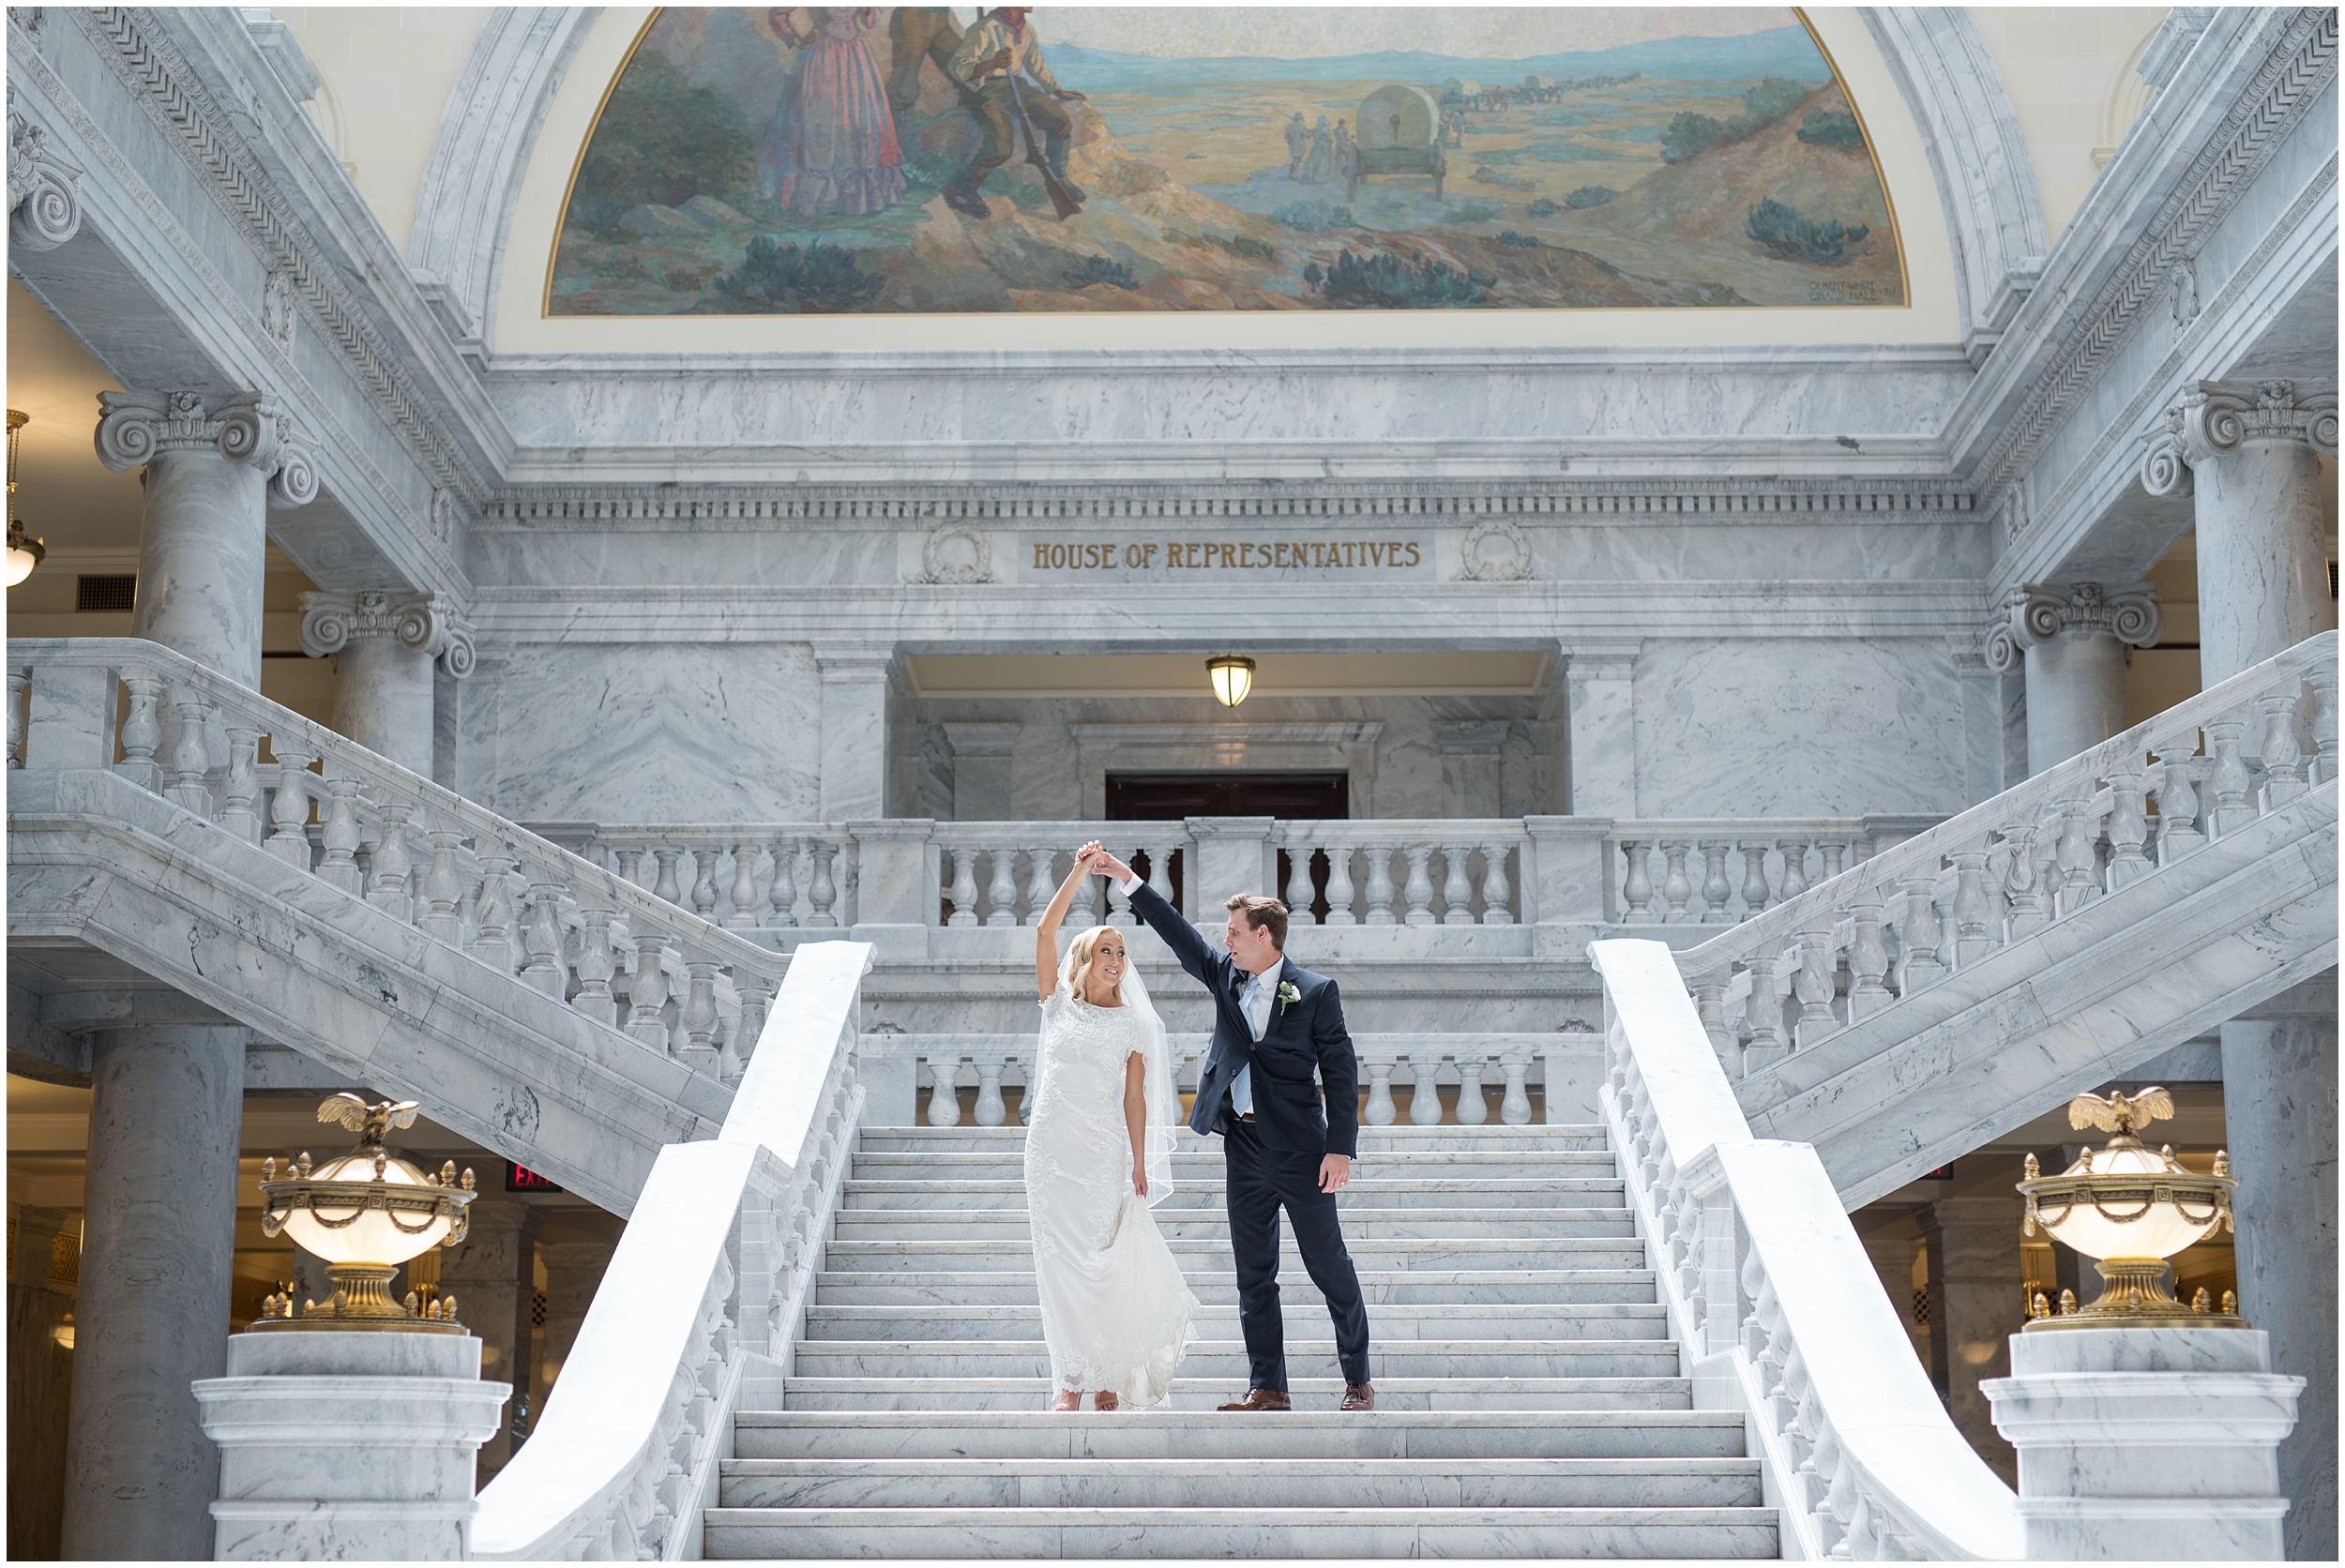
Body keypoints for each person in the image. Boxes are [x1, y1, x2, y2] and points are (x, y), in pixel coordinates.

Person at [1087, 845, 1375, 1413]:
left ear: (1264, 936)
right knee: (1254, 1273)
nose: (1226, 940)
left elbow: (1341, 1076)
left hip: (1301, 1151)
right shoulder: (1225, 977)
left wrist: (1340, 1150)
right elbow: (1179, 934)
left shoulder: (1316, 993)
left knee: (1328, 1267)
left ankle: (1357, 1379)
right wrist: (1126, 878)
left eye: (1235, 932)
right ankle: (1268, 1385)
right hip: (1242, 1145)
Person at [1021, 846, 1197, 1411]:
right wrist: (1078, 872)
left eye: (1121, 952)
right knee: (1058, 1268)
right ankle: (1069, 1381)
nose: (1116, 959)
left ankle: (1107, 1375)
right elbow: (1046, 930)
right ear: (1085, 958)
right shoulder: (1056, 1005)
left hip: (1101, 1154)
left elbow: (1135, 1098)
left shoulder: (1131, 1025)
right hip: (1050, 1151)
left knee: (1100, 1263)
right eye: (1105, 950)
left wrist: (1140, 1161)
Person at [943, 7, 1087, 219]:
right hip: (985, 90)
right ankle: (964, 188)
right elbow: (958, 68)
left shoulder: (1027, 30)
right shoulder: (984, 28)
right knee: (1001, 148)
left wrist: (1056, 90)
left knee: (1060, 121)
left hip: (1015, 86)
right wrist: (991, 63)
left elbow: (1036, 65)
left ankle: (1058, 176)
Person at [762, 8, 907, 217]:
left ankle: (852, 196)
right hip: (822, 56)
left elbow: (870, 22)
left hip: (856, 55)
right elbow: (777, 11)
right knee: (821, 121)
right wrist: (794, 38)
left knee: (858, 119)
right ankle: (813, 200)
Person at [1301, 113, 1335, 184]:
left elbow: (1309, 136)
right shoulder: (1325, 129)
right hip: (1324, 147)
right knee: (1323, 162)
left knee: (1314, 162)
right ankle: (1319, 178)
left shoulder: (1316, 129)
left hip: (1316, 147)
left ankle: (1311, 177)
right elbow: (1329, 139)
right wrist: (1329, 143)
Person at [1283, 111, 1309, 179]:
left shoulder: (1289, 126)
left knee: (1295, 160)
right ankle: (1293, 175)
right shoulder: (1301, 126)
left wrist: (1290, 143)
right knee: (1297, 160)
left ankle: (1291, 174)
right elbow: (1306, 135)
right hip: (1300, 145)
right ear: (1299, 119)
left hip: (1292, 146)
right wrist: (1312, 132)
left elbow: (1286, 137)